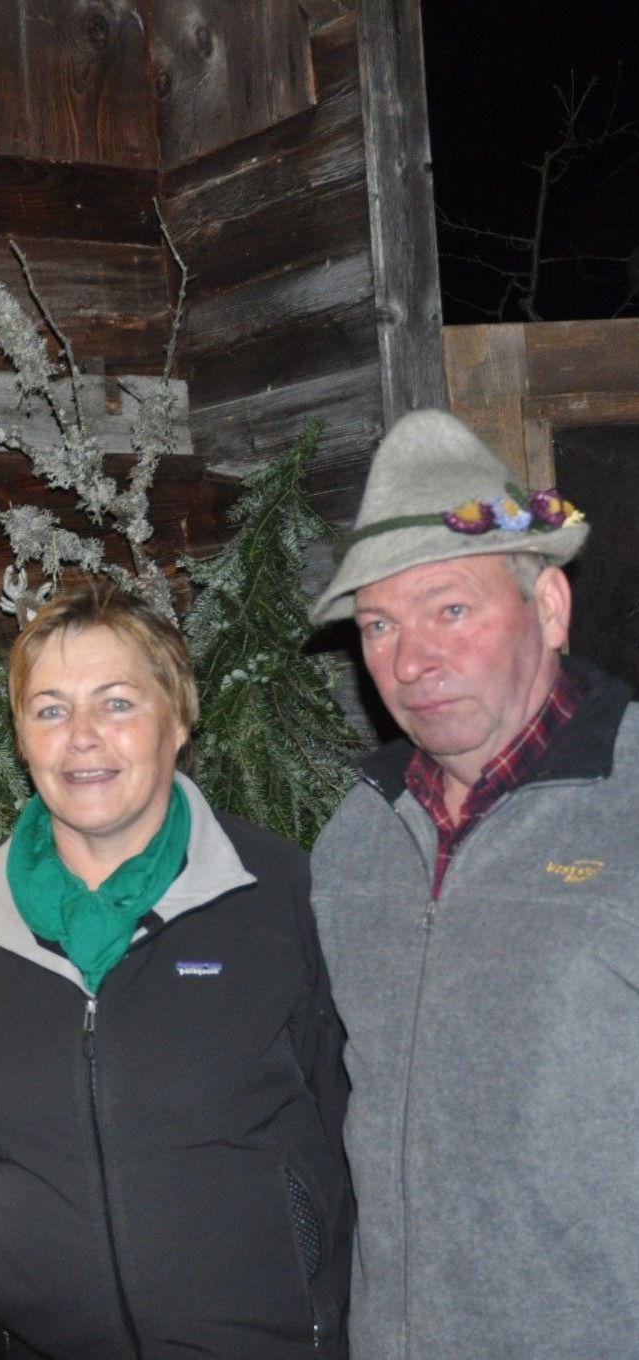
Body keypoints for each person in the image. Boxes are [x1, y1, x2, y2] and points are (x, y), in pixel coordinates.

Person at [0, 579, 352, 1360]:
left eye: (117, 703)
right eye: (51, 709)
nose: (82, 737)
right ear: (22, 737)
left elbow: (347, 1139)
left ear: (177, 720)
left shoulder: (276, 897)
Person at [308, 409, 635, 1360]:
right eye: (379, 624)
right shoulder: (353, 840)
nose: (409, 662)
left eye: (449, 608)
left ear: (548, 608)